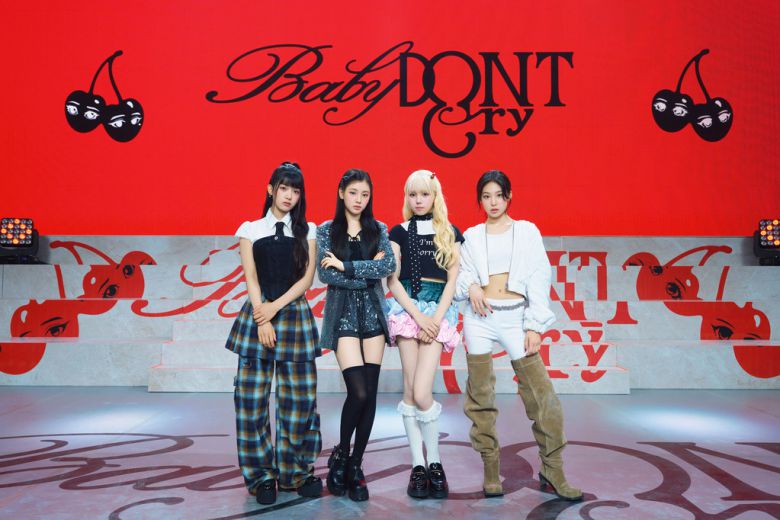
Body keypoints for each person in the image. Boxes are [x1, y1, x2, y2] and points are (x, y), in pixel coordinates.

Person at [456, 169, 583, 501]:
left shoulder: (526, 231)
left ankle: (552, 468)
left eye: (499, 195)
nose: (493, 202)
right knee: (480, 397)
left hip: (516, 317)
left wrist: (534, 325)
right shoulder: (471, 235)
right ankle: (490, 467)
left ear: (509, 196)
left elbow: (540, 275)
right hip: (479, 318)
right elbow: (462, 273)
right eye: (486, 196)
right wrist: (471, 286)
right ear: (480, 200)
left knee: (543, 397)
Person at [225, 161, 323, 505]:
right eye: (284, 188)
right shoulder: (250, 229)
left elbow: (306, 279)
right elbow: (251, 278)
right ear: (271, 189)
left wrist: (274, 309)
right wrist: (262, 318)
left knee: (299, 401)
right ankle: (261, 477)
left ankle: (295, 473)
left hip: (293, 315)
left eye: (296, 190)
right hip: (258, 317)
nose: (289, 196)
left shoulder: (308, 230)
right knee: (250, 402)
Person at [317, 168, 396, 502]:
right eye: (353, 193)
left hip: (374, 316)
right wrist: (365, 271)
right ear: (341, 193)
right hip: (343, 316)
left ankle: (355, 465)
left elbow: (387, 267)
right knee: (359, 392)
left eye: (365, 194)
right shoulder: (326, 231)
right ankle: (341, 453)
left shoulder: (379, 229)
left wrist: (346, 266)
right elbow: (326, 275)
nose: (359, 200)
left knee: (371, 394)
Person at [386, 170, 463, 499]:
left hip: (437, 314)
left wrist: (436, 318)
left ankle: (435, 461)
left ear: (435, 196)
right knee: (409, 389)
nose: (418, 200)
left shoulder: (450, 232)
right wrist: (417, 315)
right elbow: (392, 280)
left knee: (421, 391)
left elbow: (453, 280)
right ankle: (418, 465)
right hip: (407, 311)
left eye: (424, 194)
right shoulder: (398, 232)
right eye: (413, 194)